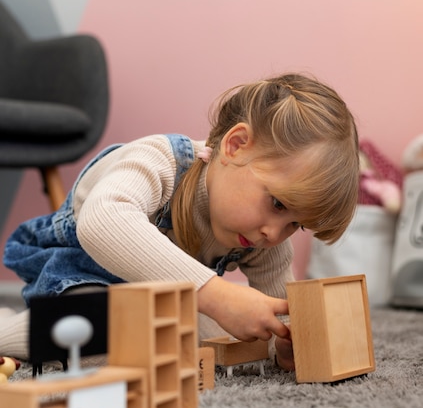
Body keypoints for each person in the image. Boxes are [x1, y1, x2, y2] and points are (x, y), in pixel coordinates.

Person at [0, 73, 359, 371]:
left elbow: (277, 307)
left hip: (158, 304)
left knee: (213, 334)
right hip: (81, 277)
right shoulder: (158, 162)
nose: (274, 233)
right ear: (235, 145)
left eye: (296, 224)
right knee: (103, 341)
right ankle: (7, 328)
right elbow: (101, 222)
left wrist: (286, 342)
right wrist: (215, 295)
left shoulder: (263, 234)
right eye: (278, 204)